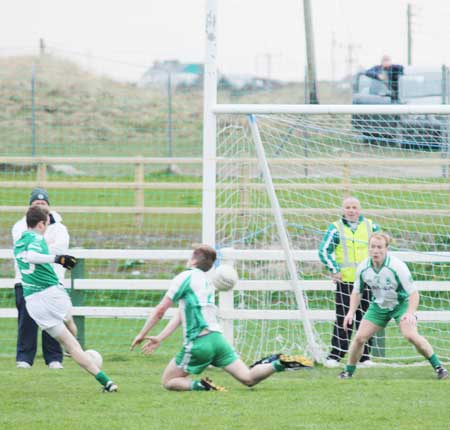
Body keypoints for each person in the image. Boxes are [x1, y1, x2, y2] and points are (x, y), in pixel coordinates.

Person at [131, 244, 313, 391]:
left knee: (169, 381)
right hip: (218, 340)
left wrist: (142, 334)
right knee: (248, 379)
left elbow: (160, 310)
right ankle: (279, 364)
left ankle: (201, 386)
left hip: (198, 342)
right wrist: (160, 338)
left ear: (193, 259)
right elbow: (180, 314)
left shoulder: (185, 277)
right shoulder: (207, 283)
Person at [14, 205, 118, 391]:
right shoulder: (37, 239)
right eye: (46, 224)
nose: (47, 227)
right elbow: (32, 256)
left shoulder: (19, 241)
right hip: (52, 293)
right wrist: (57, 258)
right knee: (70, 328)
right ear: (40, 224)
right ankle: (76, 350)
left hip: (33, 302)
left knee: (70, 344)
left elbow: (27, 255)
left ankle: (106, 382)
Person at [339, 233, 448, 380]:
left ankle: (439, 367)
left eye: (379, 247)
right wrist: (351, 312)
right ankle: (348, 372)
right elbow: (357, 292)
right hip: (379, 306)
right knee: (359, 338)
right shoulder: (364, 267)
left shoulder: (397, 266)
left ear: (386, 249)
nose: (376, 251)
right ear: (368, 248)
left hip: (400, 305)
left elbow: (414, 293)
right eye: (373, 247)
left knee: (410, 335)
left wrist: (410, 313)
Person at [13, 188, 76, 369]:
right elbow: (23, 251)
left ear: (48, 206)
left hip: (52, 281)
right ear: (31, 207)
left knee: (54, 319)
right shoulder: (19, 225)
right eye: (36, 203)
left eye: (43, 203)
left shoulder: (60, 228)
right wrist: (45, 247)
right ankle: (24, 359)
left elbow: (60, 248)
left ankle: (54, 358)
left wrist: (40, 247)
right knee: (27, 321)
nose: (40, 205)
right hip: (26, 281)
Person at [319, 196, 380, 368]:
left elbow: (381, 249)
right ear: (343, 210)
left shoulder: (371, 226)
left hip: (368, 281)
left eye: (354, 207)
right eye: (348, 207)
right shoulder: (335, 228)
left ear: (359, 209)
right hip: (346, 282)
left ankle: (365, 356)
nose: (351, 210)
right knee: (343, 318)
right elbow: (324, 250)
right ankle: (336, 355)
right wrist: (334, 269)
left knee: (368, 318)